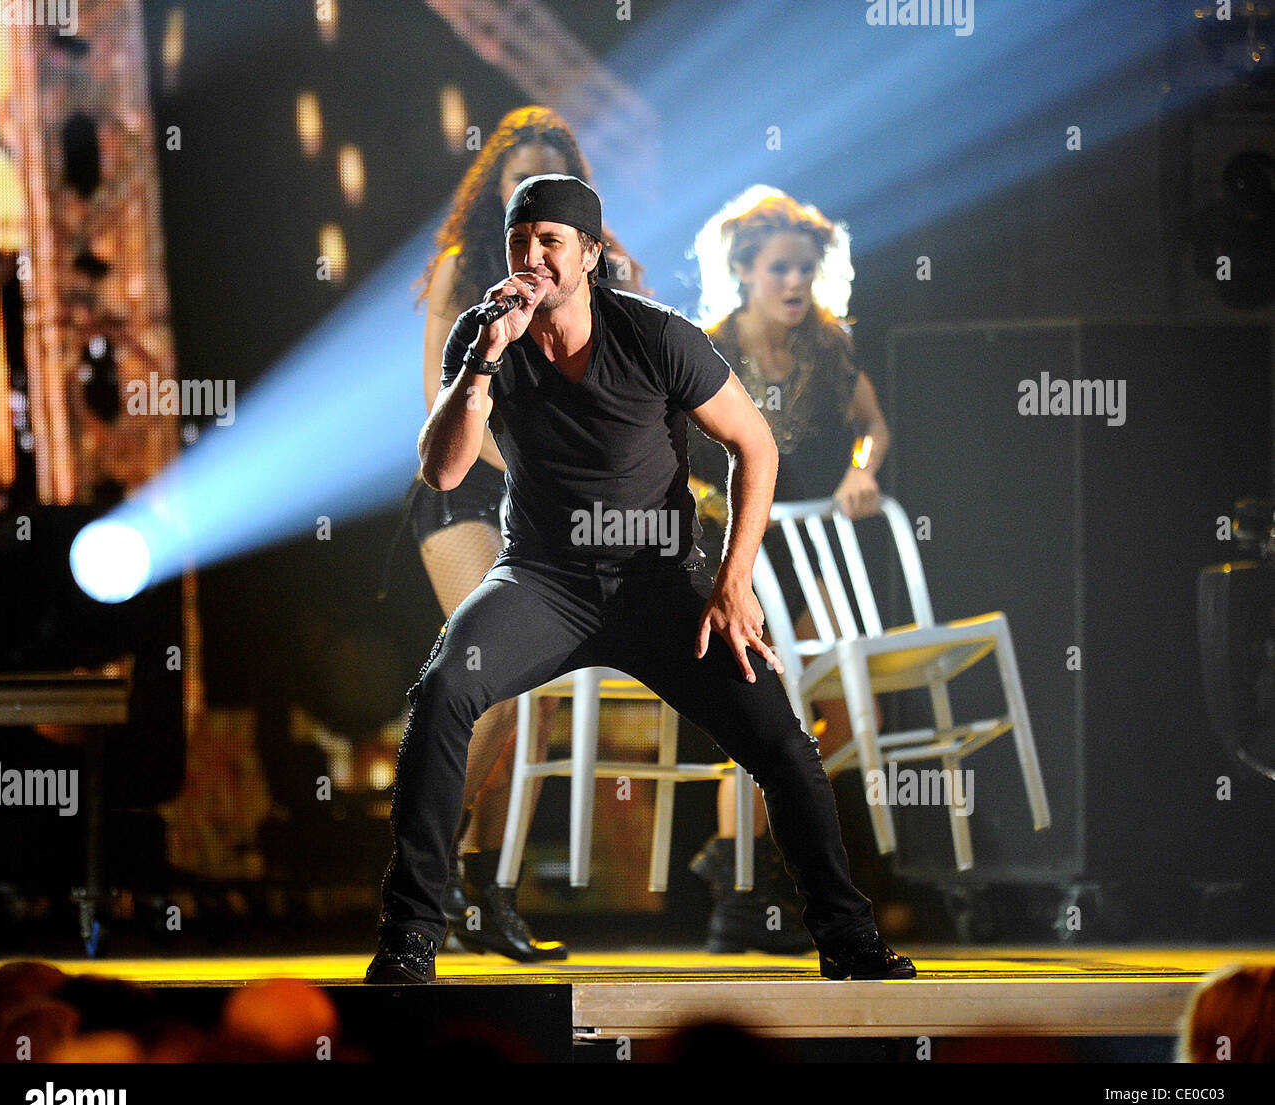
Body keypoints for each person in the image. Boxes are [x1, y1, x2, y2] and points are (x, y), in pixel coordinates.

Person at [366, 174, 915, 984]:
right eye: (523, 242)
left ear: (589, 255)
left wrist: (732, 582)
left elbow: (753, 446)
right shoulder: (486, 339)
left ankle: (847, 936)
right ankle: (412, 935)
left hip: (662, 582)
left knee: (783, 742)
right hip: (541, 582)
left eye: (552, 242)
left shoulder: (658, 334)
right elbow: (444, 473)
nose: (533, 257)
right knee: (447, 688)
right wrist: (480, 366)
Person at [408, 107, 642, 961]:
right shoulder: (461, 274)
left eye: (549, 187)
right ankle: (425, 873)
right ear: (495, 195)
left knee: (531, 704)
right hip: (469, 494)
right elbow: (441, 418)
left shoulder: (605, 276)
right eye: (516, 183)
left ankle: (486, 892)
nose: (532, 211)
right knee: (491, 681)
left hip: (558, 506)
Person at [685, 188, 892, 954]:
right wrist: (706, 495)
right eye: (780, 269)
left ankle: (760, 863)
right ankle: (745, 883)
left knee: (837, 694)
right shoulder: (707, 345)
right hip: (731, 546)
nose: (796, 283)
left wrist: (858, 474)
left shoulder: (830, 345)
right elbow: (661, 443)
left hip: (808, 543)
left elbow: (871, 425)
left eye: (805, 268)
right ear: (744, 271)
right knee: (760, 710)